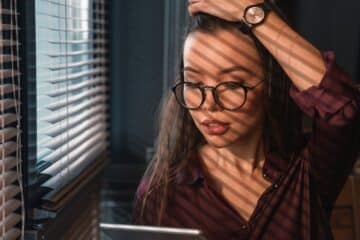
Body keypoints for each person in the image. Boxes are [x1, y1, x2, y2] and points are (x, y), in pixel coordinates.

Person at [133, 1, 360, 239]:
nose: (209, 103)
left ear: (269, 86)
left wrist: (256, 14)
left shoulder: (306, 170)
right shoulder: (160, 195)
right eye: (194, 84)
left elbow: (343, 105)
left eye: (232, 84)